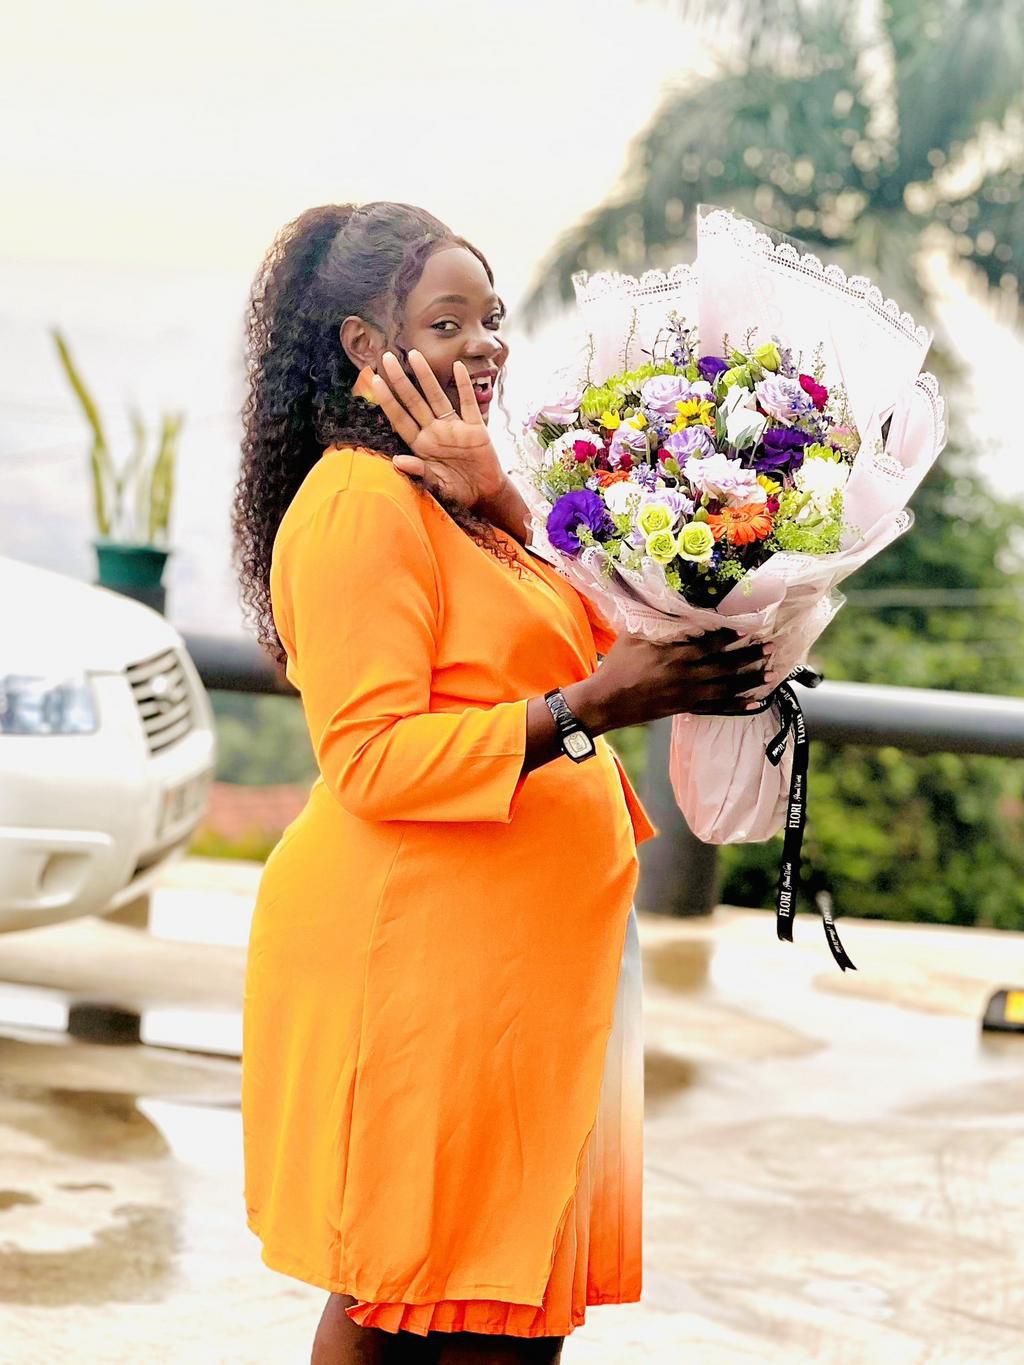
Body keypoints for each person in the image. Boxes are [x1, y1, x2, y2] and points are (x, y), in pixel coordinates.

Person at [232, 202, 769, 1365]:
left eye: (492, 317)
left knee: (497, 1306)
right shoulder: (357, 509)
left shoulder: (454, 503)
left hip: (518, 974)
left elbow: (585, 627)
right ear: (367, 350)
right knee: (423, 1299)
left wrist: (504, 497)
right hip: (422, 964)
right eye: (447, 319)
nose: (485, 343)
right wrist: (593, 709)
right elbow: (371, 761)